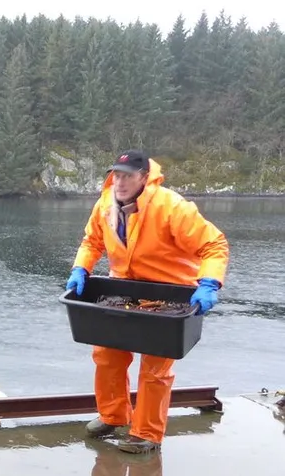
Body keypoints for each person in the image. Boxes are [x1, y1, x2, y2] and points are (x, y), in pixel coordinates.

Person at [65, 149, 229, 454]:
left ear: (144, 177)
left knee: (155, 369)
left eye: (128, 176)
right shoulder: (105, 204)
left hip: (169, 294)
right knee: (106, 355)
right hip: (122, 289)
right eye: (117, 174)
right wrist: (81, 267)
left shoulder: (171, 206)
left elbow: (213, 244)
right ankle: (113, 416)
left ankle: (146, 434)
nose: (121, 182)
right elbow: (92, 241)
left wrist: (209, 282)